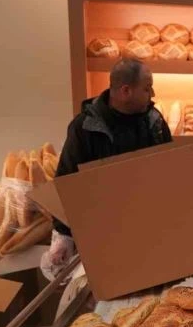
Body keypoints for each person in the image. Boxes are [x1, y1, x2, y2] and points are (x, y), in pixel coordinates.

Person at [40, 58, 171, 281]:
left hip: (149, 231)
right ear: (126, 91)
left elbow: (170, 174)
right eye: (147, 88)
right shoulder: (84, 128)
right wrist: (63, 234)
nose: (153, 94)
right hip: (101, 237)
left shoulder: (155, 122)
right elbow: (67, 182)